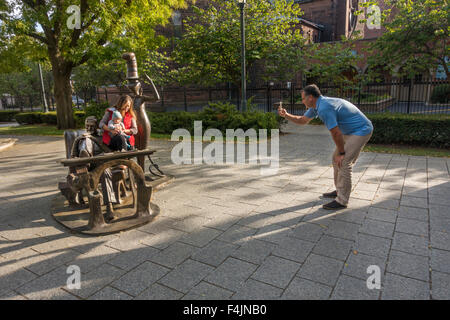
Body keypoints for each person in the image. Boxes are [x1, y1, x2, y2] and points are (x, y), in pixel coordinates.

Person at [278, 84, 373, 210]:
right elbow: (302, 120)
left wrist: (342, 152)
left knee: (343, 162)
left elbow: (336, 133)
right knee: (335, 160)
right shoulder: (316, 106)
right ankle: (340, 190)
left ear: (310, 97)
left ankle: (342, 201)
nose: (302, 101)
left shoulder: (324, 107)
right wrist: (286, 115)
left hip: (361, 130)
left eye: (303, 98)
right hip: (349, 131)